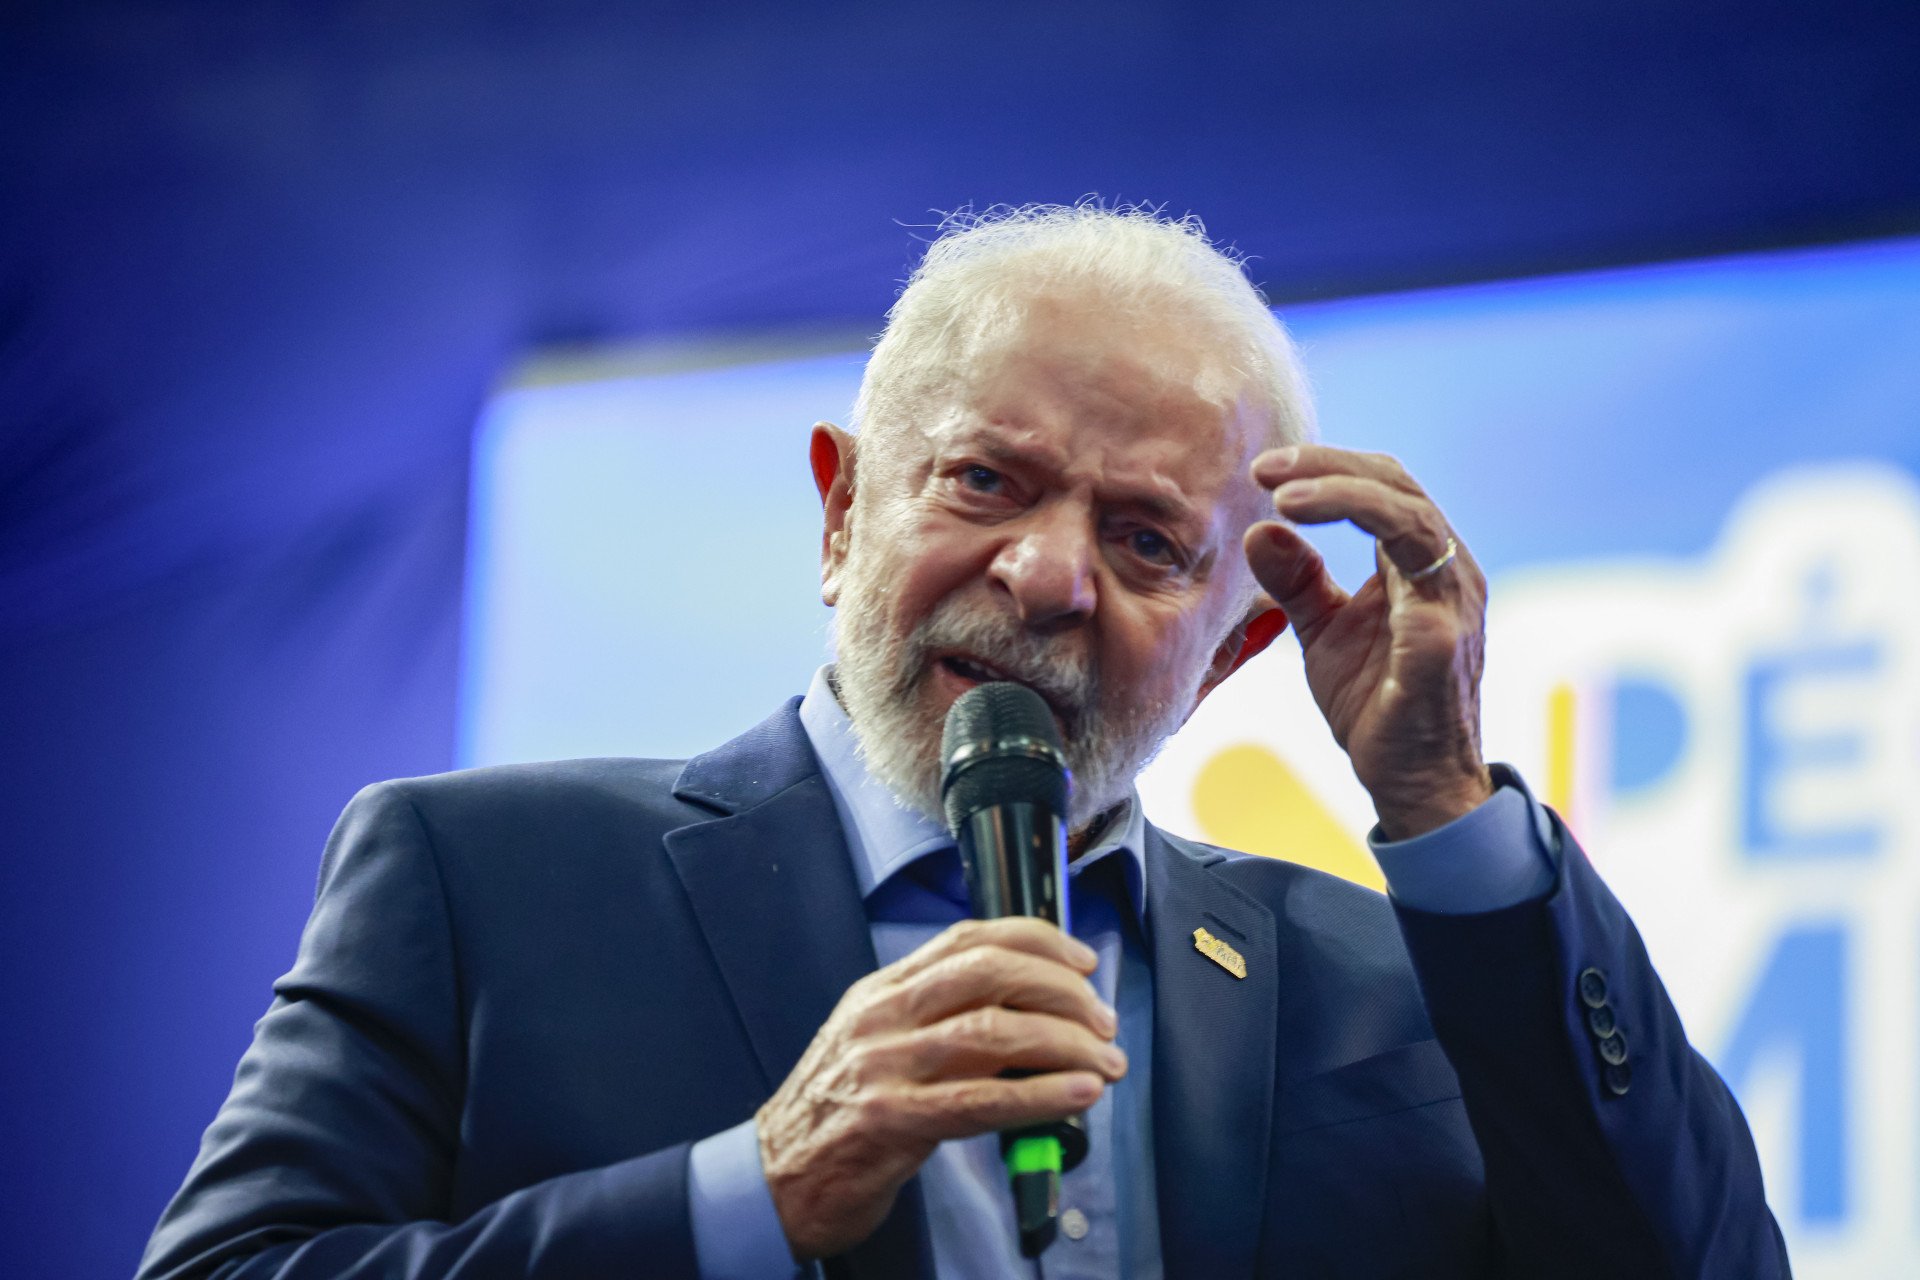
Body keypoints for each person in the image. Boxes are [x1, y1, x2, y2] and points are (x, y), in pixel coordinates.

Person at [138, 204, 1789, 1279]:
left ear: (1243, 643)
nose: (1050, 578)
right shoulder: (483, 878)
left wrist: (1438, 805)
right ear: (843, 508)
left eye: (1148, 543)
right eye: (985, 480)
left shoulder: (1399, 981)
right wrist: (751, 1196)